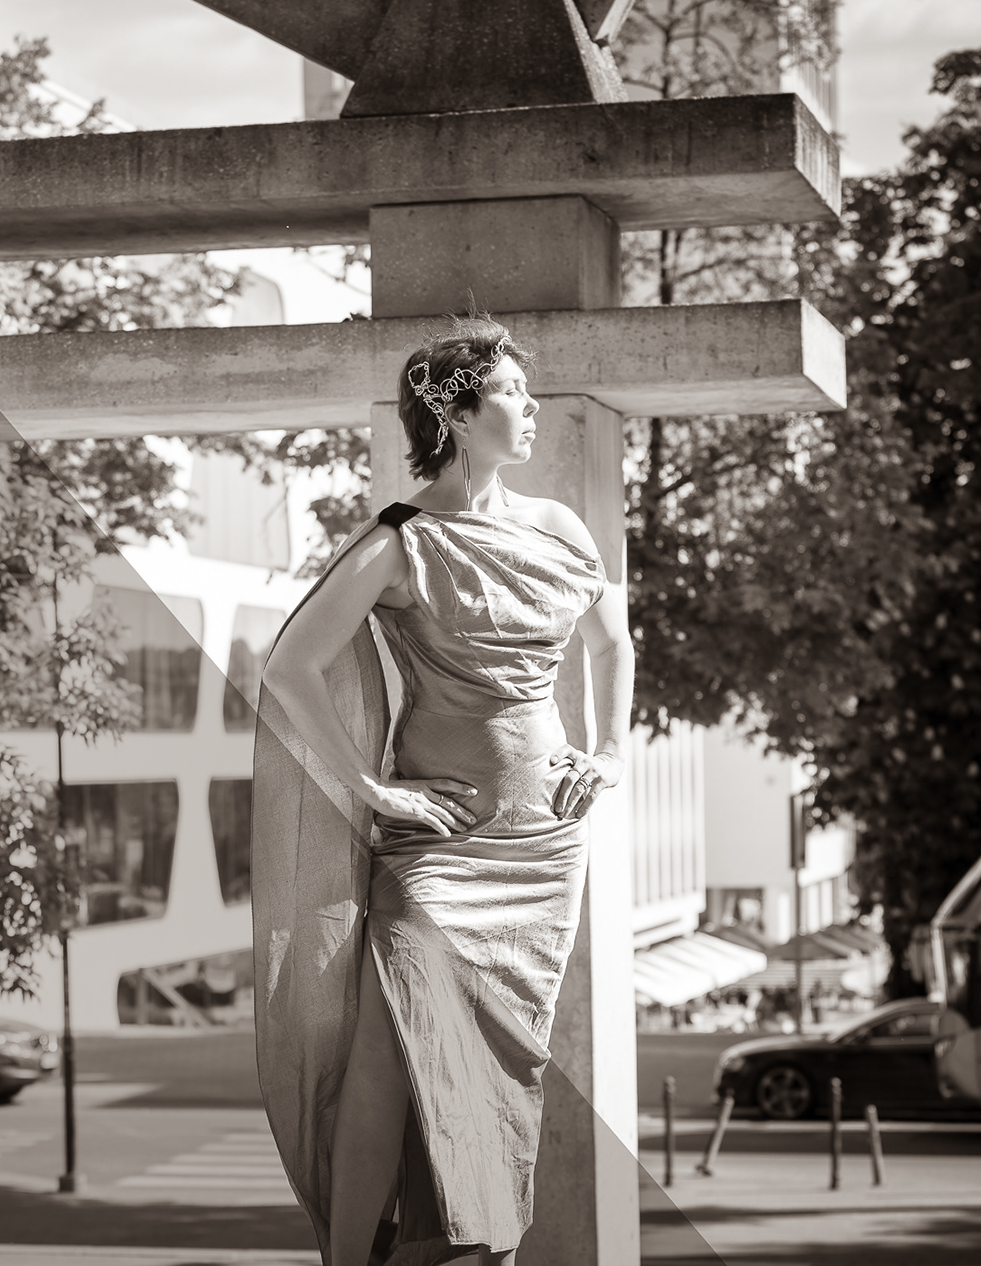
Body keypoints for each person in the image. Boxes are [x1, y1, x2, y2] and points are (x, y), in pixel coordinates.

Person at [250, 315, 634, 1266]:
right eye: (511, 393)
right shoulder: (401, 542)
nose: (532, 407)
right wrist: (371, 790)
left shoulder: (559, 528)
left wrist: (611, 750)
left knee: (504, 1060)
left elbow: (612, 643)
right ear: (457, 417)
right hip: (440, 846)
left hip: (543, 843)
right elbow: (290, 666)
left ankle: (479, 1249)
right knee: (387, 1054)